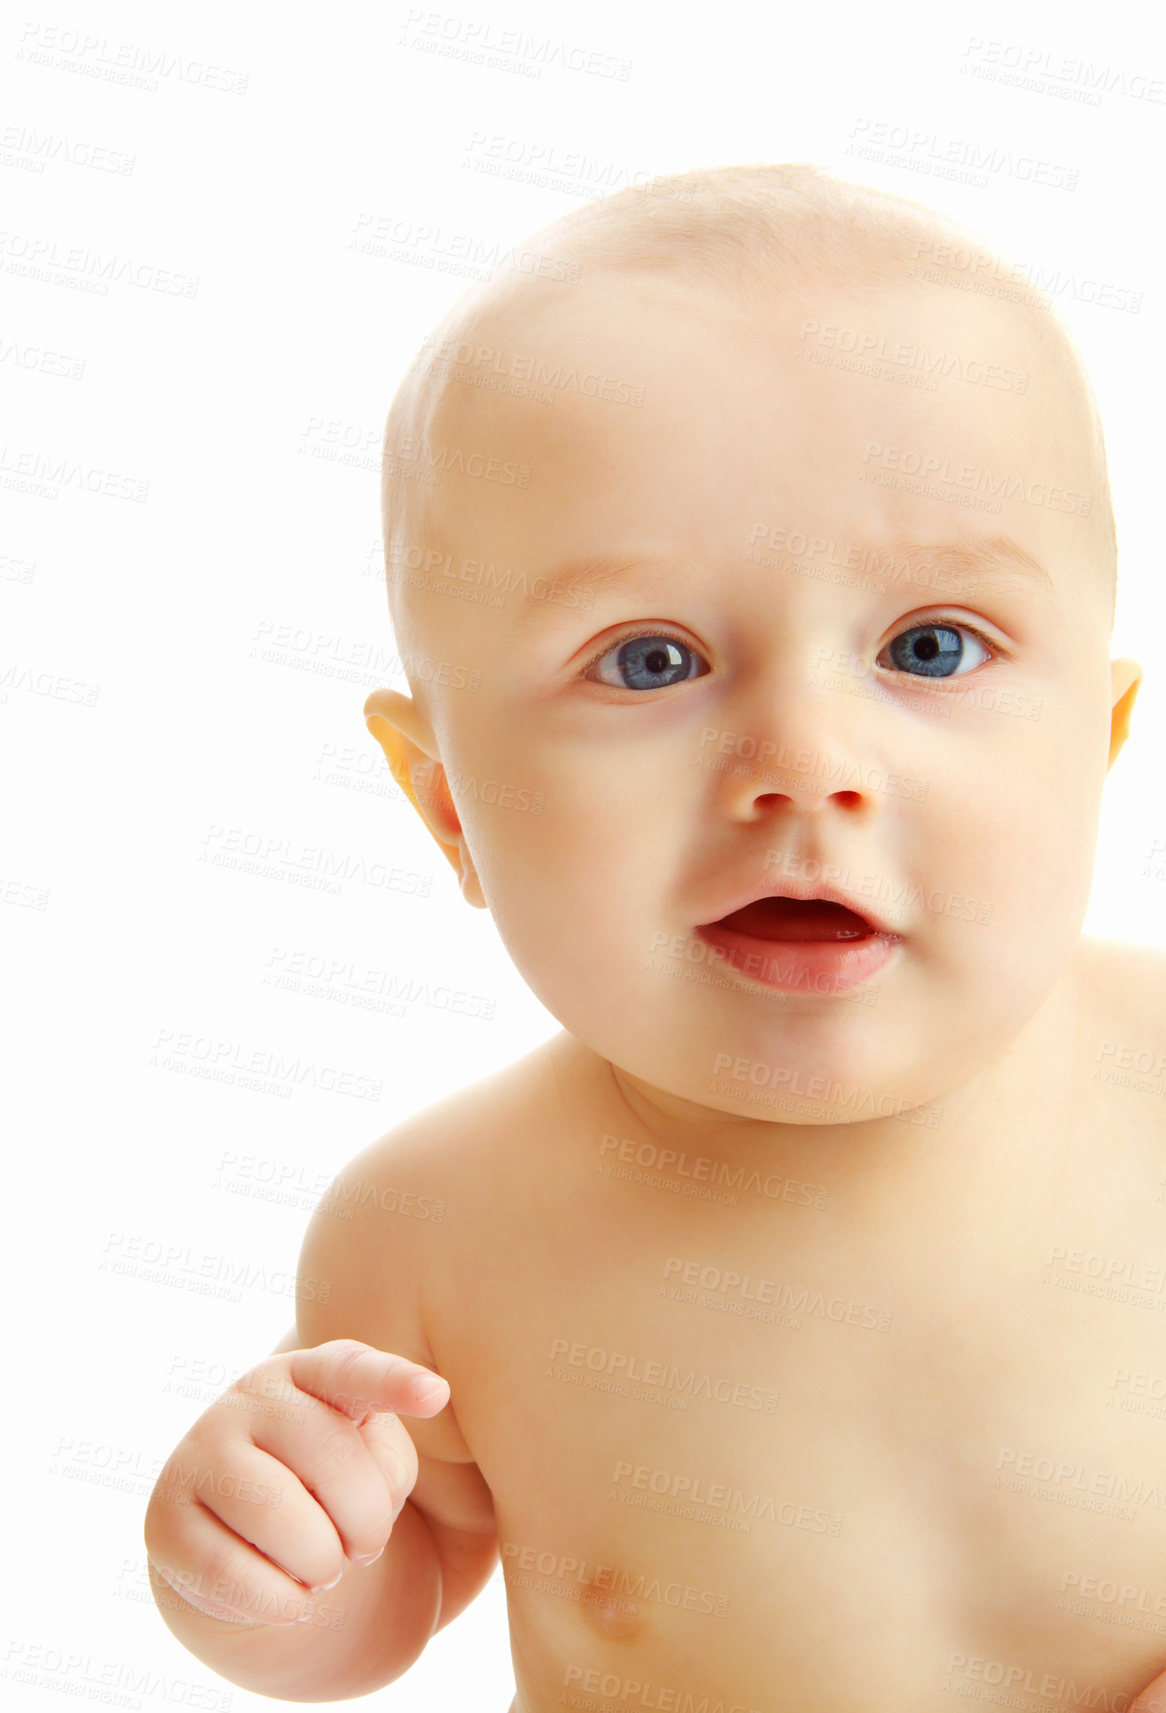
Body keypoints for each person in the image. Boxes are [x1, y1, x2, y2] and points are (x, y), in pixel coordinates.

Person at [144, 162, 1166, 1712]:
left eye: (928, 646)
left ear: (1091, 747)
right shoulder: (434, 1234)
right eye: (649, 659)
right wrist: (263, 1578)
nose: (803, 759)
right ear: (449, 811)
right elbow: (391, 1597)